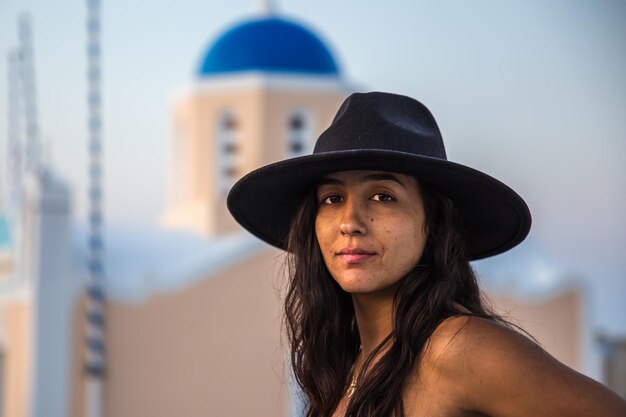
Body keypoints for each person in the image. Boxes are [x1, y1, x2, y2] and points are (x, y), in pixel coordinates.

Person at [227, 92, 626, 417]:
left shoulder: (456, 348)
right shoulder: (350, 369)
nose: (350, 221)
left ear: (432, 224)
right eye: (332, 198)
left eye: (383, 196)